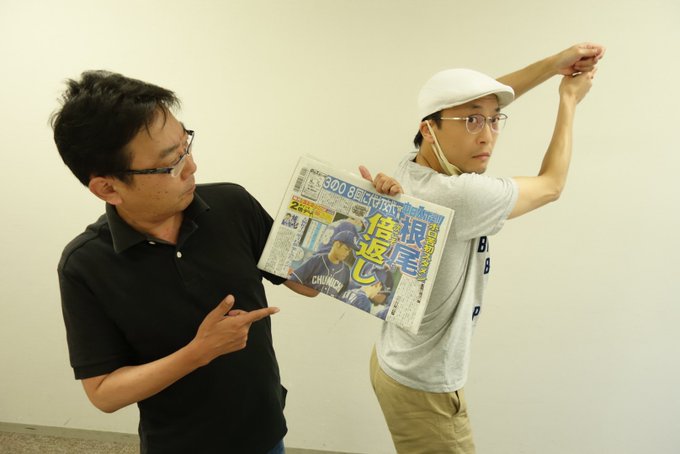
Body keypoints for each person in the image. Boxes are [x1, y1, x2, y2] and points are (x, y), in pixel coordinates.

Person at [50, 70, 399, 454]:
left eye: (186, 145)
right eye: (170, 163)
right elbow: (103, 393)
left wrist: (370, 212)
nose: (191, 167)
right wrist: (198, 353)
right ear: (108, 187)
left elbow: (306, 284)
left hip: (266, 432)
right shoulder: (85, 265)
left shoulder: (233, 205)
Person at [365, 43, 606, 453]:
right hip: (424, 387)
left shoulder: (413, 165)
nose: (487, 136)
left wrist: (553, 65)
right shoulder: (460, 196)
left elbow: (466, 104)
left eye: (495, 120)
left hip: (394, 358)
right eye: (472, 122)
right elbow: (552, 185)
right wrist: (568, 99)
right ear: (430, 129)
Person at [289, 230, 359, 297]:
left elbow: (341, 296)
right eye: (346, 249)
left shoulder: (346, 271)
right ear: (337, 244)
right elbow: (293, 280)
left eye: (349, 251)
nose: (347, 253)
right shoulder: (316, 260)